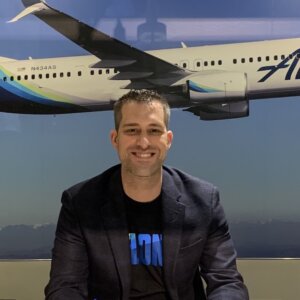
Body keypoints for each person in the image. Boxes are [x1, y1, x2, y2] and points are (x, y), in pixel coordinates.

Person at [45, 90, 249, 300]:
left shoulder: (204, 200)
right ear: (115, 139)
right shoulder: (80, 203)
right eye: (132, 130)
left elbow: (227, 282)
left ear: (168, 139)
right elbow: (65, 287)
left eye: (154, 130)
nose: (143, 143)